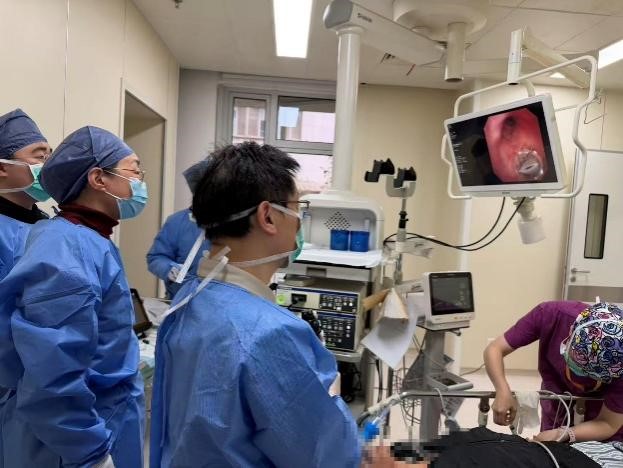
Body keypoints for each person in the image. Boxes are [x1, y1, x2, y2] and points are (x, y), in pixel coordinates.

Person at [149, 142, 361, 467]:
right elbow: (326, 455)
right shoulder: (270, 335)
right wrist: (328, 391)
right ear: (268, 216)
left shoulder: (189, 297)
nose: (299, 221)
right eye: (297, 208)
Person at [0, 126, 146, 467]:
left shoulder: (88, 240)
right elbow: (51, 374)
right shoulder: (68, 248)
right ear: (98, 179)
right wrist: (91, 454)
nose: (140, 182)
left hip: (97, 422)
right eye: (134, 170)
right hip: (69, 445)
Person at [484, 301, 623, 443]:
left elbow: (609, 424)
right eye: (577, 362)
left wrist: (564, 433)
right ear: (571, 331)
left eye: (589, 373)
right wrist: (502, 390)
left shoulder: (619, 360)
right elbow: (495, 349)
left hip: (603, 419)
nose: (579, 374)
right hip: (557, 405)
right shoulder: (552, 314)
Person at [146, 159, 211, 299]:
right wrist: (169, 268)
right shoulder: (177, 222)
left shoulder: (232, 224)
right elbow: (156, 258)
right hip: (179, 300)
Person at [0, 109, 52, 281]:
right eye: (41, 157)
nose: (50, 166)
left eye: (50, 157)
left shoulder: (46, 224)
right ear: (2, 167)